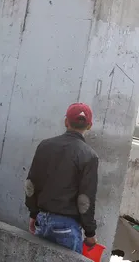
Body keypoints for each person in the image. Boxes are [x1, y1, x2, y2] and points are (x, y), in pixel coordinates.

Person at [25, 102, 98, 254]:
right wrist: (90, 233)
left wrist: (33, 214)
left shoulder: (45, 146)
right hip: (67, 228)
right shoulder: (89, 156)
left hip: (42, 220)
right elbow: (84, 200)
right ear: (89, 126)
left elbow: (31, 185)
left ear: (66, 122)